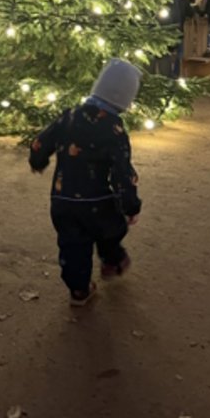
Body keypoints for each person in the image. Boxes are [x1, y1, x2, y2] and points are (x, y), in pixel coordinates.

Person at [28, 59, 143, 307]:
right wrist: (130, 206)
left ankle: (79, 290)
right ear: (125, 99)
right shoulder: (114, 130)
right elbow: (123, 173)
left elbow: (41, 141)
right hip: (98, 203)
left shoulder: (69, 116)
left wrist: (37, 160)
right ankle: (112, 261)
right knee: (111, 230)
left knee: (72, 246)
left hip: (62, 200)